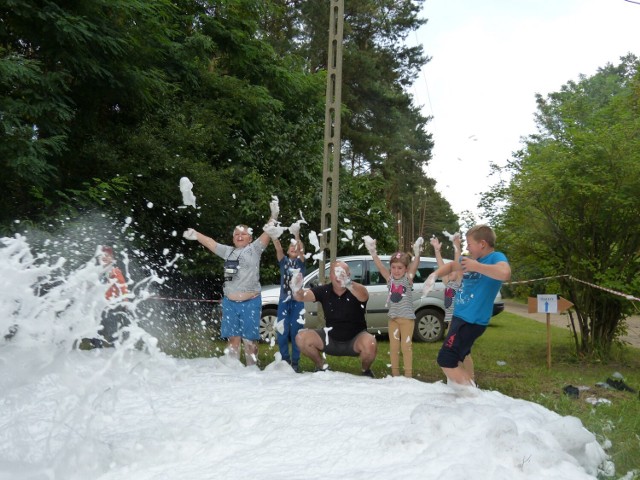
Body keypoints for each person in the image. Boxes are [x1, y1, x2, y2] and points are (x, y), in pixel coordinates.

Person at [183, 207, 279, 366]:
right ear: (233, 238)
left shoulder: (255, 249)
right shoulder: (228, 252)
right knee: (233, 339)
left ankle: (251, 369)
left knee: (249, 340)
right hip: (230, 303)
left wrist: (274, 216)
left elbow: (268, 231)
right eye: (237, 234)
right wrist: (196, 234)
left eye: (243, 234)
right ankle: (233, 372)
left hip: (251, 302)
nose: (240, 236)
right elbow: (211, 243)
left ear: (250, 238)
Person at [423, 225, 510, 387]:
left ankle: (471, 395)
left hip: (471, 321)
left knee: (446, 359)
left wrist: (476, 266)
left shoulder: (495, 257)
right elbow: (450, 266)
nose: (467, 248)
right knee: (456, 358)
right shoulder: (470, 260)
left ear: (482, 244)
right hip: (459, 317)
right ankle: (461, 391)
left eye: (469, 244)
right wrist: (434, 275)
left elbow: (505, 273)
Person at [292, 261, 377, 377]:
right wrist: (296, 288)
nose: (338, 276)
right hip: (330, 339)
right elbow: (300, 296)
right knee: (301, 338)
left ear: (349, 275)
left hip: (355, 340)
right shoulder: (324, 290)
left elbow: (364, 295)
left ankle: (365, 370)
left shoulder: (356, 289)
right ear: (330, 275)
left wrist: (348, 283)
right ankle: (321, 366)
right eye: (335, 272)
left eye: (342, 273)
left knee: (370, 343)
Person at [366, 236, 423, 377]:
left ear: (406, 269)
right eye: (393, 267)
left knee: (406, 346)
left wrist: (417, 253)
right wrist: (373, 252)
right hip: (393, 319)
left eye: (400, 268)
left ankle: (408, 375)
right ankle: (395, 374)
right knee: (394, 347)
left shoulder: (407, 279)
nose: (396, 270)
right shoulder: (389, 279)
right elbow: (379, 266)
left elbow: (415, 265)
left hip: (407, 319)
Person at [272, 222, 306, 372]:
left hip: (298, 301)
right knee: (282, 331)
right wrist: (273, 235)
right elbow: (278, 248)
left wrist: (297, 234)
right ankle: (285, 359)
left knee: (296, 331)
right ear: (287, 251)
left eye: (296, 246)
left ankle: (296, 362)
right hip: (284, 301)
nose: (293, 248)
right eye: (291, 246)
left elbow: (301, 249)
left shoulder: (301, 262)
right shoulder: (283, 262)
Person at [94, 246, 130, 348]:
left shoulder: (115, 271)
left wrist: (125, 300)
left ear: (112, 258)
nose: (104, 257)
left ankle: (114, 348)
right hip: (98, 306)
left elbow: (123, 286)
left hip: (111, 305)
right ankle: (96, 349)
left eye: (107, 255)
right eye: (102, 256)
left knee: (112, 329)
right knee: (96, 329)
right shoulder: (95, 271)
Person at [430, 233, 463, 324]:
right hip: (450, 319)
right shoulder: (448, 282)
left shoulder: (458, 282)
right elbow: (441, 266)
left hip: (459, 318)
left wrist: (456, 246)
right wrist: (437, 251)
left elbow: (457, 261)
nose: (449, 272)